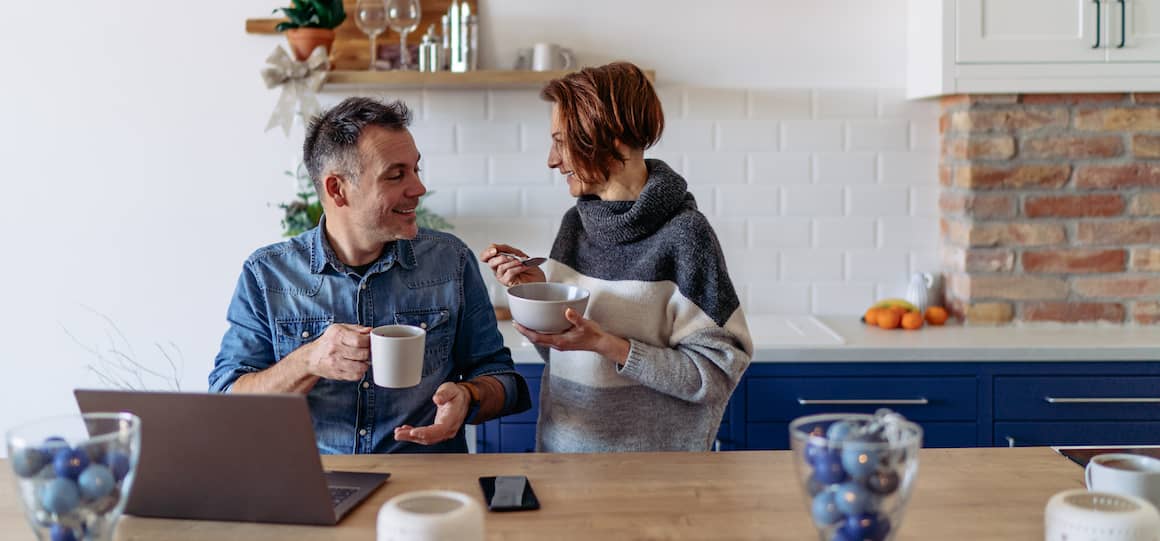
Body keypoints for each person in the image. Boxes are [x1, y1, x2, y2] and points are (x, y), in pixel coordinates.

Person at [210, 97, 530, 454]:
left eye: (415, 170)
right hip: (315, 487)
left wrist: (469, 395)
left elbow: (507, 382)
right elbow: (227, 404)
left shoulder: (450, 261)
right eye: (396, 175)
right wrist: (308, 360)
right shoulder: (267, 274)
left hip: (426, 489)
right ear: (337, 189)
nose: (418, 189)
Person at [480, 62, 753, 453]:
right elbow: (560, 352)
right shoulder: (575, 225)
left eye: (563, 141)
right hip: (562, 461)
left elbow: (718, 374)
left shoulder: (685, 236)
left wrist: (609, 345)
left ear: (617, 140)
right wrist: (536, 296)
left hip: (651, 479)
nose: (552, 160)